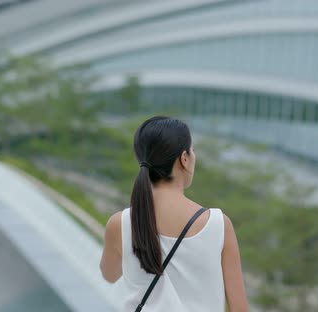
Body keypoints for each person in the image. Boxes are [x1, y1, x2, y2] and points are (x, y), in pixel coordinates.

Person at [100, 116, 248, 311]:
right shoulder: (218, 225)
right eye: (193, 151)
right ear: (184, 159)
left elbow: (109, 274)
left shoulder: (120, 224)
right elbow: (239, 308)